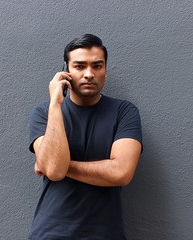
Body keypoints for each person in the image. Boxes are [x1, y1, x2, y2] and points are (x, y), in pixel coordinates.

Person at [28, 34, 143, 239]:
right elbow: (54, 172)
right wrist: (55, 105)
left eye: (97, 66)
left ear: (105, 71)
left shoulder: (124, 111)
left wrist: (61, 165)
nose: (89, 74)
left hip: (105, 234)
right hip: (51, 234)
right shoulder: (44, 113)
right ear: (66, 71)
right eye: (80, 66)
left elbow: (121, 173)